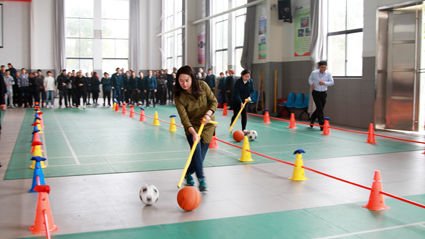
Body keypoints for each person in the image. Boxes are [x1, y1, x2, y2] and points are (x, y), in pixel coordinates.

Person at [174, 65, 217, 192]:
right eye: (181, 80)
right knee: (196, 152)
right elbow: (184, 118)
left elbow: (213, 102)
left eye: (187, 80)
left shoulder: (203, 86)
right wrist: (193, 133)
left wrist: (208, 114)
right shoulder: (178, 96)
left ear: (192, 78)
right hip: (192, 126)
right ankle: (202, 179)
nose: (184, 83)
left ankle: (188, 173)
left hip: (207, 124)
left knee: (200, 156)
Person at [308, 60, 334, 131]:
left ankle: (312, 120)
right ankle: (321, 125)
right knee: (319, 108)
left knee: (320, 108)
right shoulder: (314, 73)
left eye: (325, 67)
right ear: (319, 67)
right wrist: (312, 84)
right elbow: (310, 79)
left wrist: (325, 83)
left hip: (324, 93)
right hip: (316, 92)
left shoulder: (328, 73)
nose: (323, 69)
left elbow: (332, 82)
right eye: (322, 67)